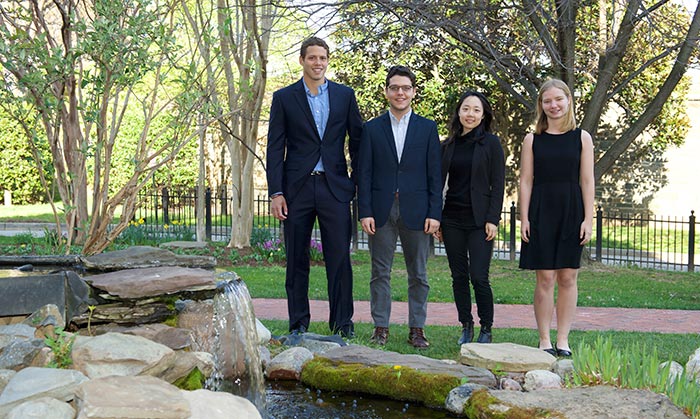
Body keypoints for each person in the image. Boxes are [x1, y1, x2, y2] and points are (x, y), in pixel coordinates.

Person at [266, 37, 363, 338]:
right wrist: (276, 192)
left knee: (339, 260)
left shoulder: (345, 96)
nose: (317, 63)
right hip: (297, 190)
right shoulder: (284, 98)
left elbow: (357, 142)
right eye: (312, 58)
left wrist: (355, 183)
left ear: (327, 61)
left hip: (335, 188)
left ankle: (342, 324)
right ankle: (298, 324)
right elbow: (274, 148)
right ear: (302, 60)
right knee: (296, 259)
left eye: (322, 58)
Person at [357, 65, 442, 348]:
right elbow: (364, 173)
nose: (400, 92)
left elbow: (434, 175)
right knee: (379, 272)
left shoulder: (428, 129)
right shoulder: (370, 129)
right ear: (386, 92)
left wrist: (435, 213)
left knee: (418, 273)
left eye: (405, 88)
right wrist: (364, 210)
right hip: (380, 210)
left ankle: (417, 329)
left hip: (417, 211)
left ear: (414, 92)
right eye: (394, 88)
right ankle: (380, 327)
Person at [518, 78, 595, 357]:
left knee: (568, 276)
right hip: (541, 210)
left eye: (558, 100)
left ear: (568, 101)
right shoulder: (532, 139)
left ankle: (563, 340)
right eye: (547, 101)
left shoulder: (582, 138)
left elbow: (587, 181)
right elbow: (525, 181)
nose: (553, 105)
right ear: (541, 105)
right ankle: (544, 340)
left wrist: (588, 218)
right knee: (545, 277)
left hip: (571, 209)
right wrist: (524, 217)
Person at [435, 91, 505, 345]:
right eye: (466, 109)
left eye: (476, 110)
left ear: (483, 114)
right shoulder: (447, 145)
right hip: (451, 218)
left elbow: (498, 185)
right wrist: (436, 219)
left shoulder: (492, 144)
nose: (470, 114)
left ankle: (486, 327)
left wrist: (493, 219)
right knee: (459, 275)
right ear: (459, 112)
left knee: (479, 276)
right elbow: (437, 184)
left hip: (480, 221)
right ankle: (466, 324)